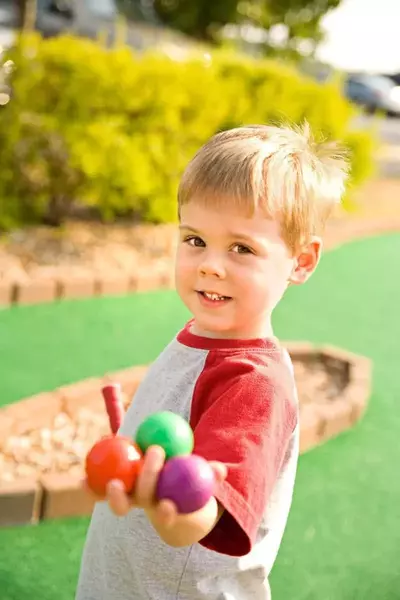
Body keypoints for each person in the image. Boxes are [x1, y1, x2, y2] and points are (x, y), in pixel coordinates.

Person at [75, 122, 349, 600]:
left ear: (301, 261)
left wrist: (171, 503)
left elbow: (203, 520)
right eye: (195, 239)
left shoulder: (254, 384)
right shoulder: (200, 334)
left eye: (241, 248)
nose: (209, 264)